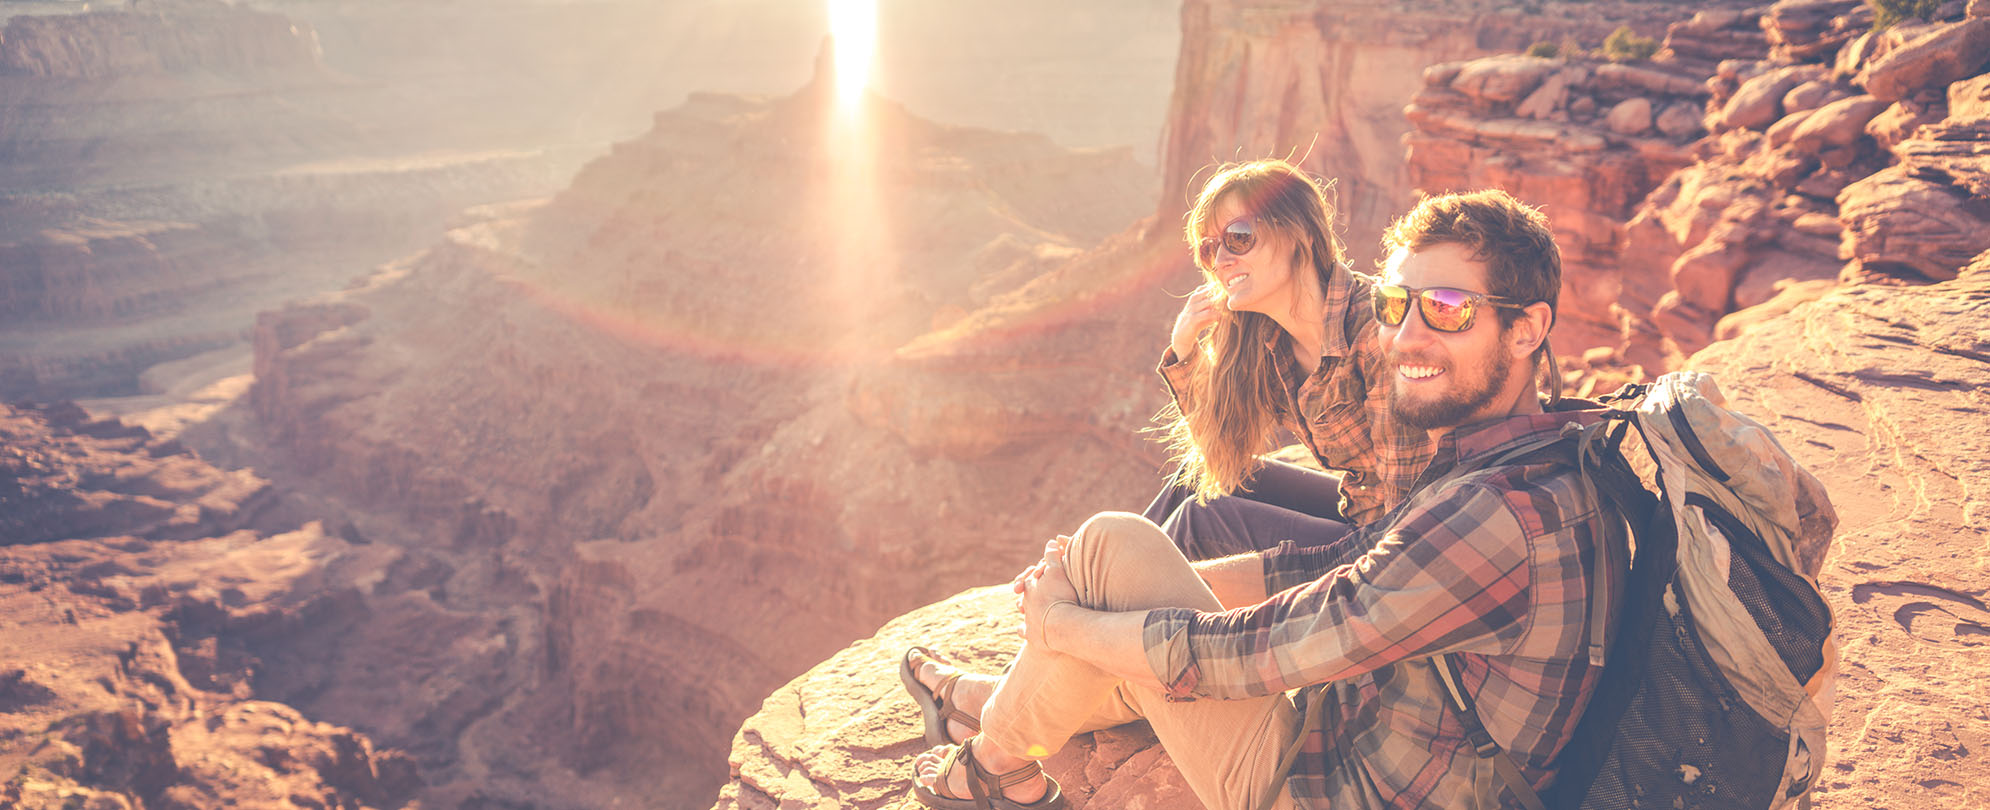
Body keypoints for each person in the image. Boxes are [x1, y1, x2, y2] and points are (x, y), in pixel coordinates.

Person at [902, 189, 1615, 810]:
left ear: (1527, 329)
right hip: (1363, 730)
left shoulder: (1493, 515)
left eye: (1449, 310)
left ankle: (991, 765)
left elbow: (1263, 649)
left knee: (1111, 556)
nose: (1405, 334)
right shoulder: (1512, 457)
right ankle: (993, 712)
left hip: (1329, 788)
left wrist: (1063, 621)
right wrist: (1139, 596)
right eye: (1395, 305)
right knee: (1133, 568)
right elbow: (1346, 550)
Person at [1140, 160, 1437, 561]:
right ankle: (1087, 572)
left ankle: (1094, 600)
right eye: (1209, 249)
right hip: (1360, 513)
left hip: (1399, 543)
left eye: (1239, 237)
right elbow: (1220, 455)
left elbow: (1409, 514)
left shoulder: (1375, 333)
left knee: (1201, 520)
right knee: (1188, 486)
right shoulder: (1269, 341)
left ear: (1299, 235)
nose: (1222, 261)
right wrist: (1185, 350)